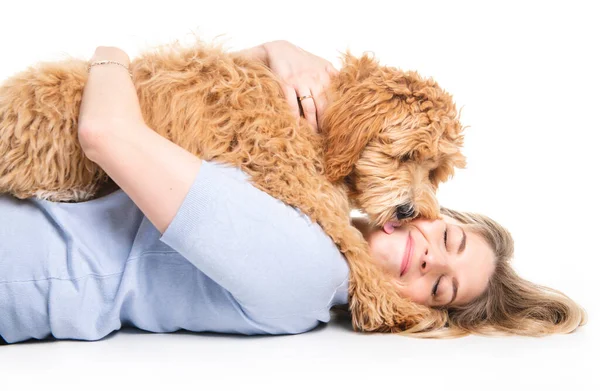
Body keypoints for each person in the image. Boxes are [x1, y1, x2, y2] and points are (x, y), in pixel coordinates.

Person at [0, 41, 586, 344]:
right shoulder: (303, 198)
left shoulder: (311, 270)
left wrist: (110, 53)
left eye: (440, 287)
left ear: (420, 314)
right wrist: (267, 55)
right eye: (449, 237)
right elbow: (188, 105)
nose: (432, 255)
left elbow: (108, 131)